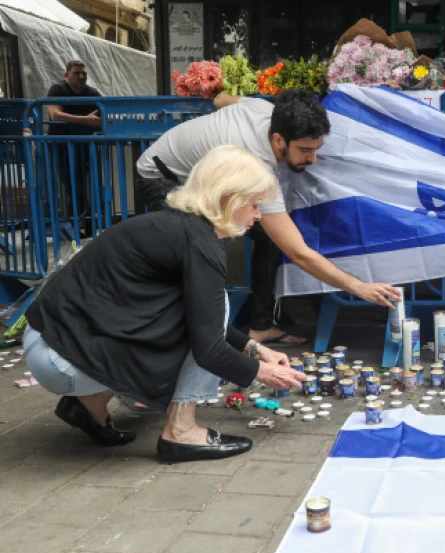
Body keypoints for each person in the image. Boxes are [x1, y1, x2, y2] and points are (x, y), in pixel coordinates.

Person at [24, 145, 306, 462]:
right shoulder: (201, 244)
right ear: (230, 198)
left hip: (46, 343)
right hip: (61, 359)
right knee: (217, 307)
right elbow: (207, 345)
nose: (258, 215)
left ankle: (88, 407)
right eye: (254, 204)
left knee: (205, 313)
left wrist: (255, 349)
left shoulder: (178, 225)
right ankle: (181, 433)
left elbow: (197, 314)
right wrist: (262, 372)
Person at [135, 88, 400, 347]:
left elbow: (221, 99)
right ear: (277, 141)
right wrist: (359, 287)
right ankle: (186, 341)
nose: (314, 159)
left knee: (270, 240)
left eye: (317, 148)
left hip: (204, 177)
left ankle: (259, 327)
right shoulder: (255, 161)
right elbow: (299, 253)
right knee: (197, 253)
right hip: (162, 176)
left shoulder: (266, 109)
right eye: (305, 150)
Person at [47, 60, 102, 237]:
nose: (81, 77)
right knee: (73, 186)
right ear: (66, 75)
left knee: (80, 186)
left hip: (84, 148)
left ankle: (79, 225)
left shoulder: (91, 93)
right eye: (76, 73)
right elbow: (55, 115)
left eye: (83, 73)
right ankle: (79, 223)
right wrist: (85, 120)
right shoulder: (57, 89)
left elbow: (107, 109)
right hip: (61, 147)